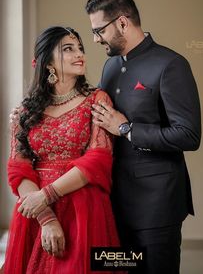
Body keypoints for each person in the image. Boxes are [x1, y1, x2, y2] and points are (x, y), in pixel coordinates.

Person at [85, 0, 201, 274]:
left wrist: (125, 128)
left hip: (157, 207)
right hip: (114, 204)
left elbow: (188, 134)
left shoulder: (171, 64)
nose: (96, 39)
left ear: (122, 22)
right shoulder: (110, 66)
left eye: (99, 30)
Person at [4, 26, 121, 274]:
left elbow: (97, 159)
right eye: (68, 49)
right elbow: (19, 169)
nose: (80, 54)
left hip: (82, 208)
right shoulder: (26, 111)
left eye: (80, 48)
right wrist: (45, 216)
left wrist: (46, 195)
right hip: (35, 211)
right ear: (47, 62)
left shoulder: (97, 100)